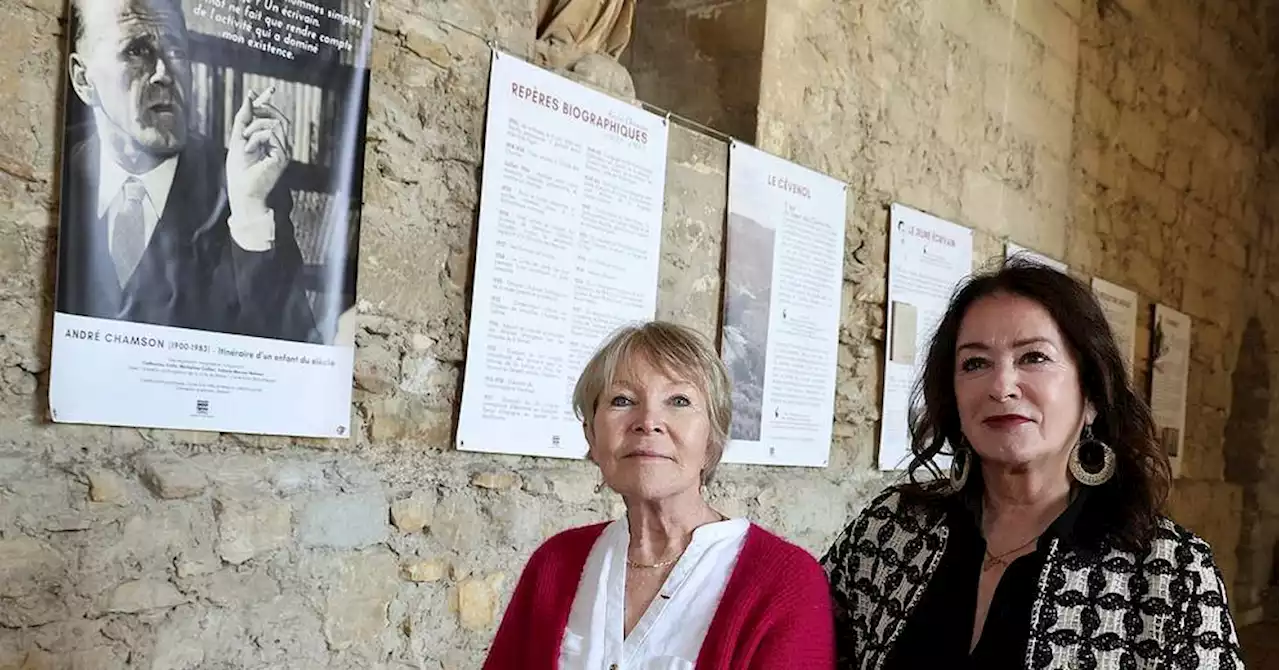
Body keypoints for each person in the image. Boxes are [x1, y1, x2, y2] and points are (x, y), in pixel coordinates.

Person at [821, 257, 1245, 668]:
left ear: (1092, 395)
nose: (1002, 386)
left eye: (1033, 357)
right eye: (975, 363)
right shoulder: (891, 530)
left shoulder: (1170, 572)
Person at [484, 321, 834, 669]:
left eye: (679, 401)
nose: (648, 420)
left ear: (712, 437)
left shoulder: (786, 583)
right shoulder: (554, 564)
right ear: (591, 434)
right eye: (622, 400)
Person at [57, 0, 319, 343]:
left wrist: (248, 210)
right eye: (136, 50)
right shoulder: (59, 179)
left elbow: (292, 353)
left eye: (177, 51)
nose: (165, 72)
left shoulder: (240, 187)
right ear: (82, 79)